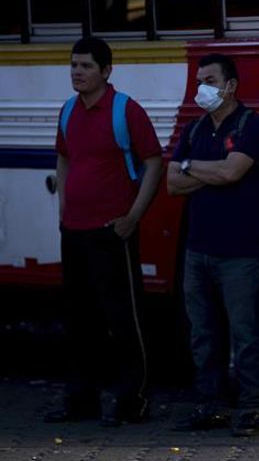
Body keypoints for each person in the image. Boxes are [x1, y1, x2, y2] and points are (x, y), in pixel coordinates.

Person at [46, 36, 162, 427]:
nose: (77, 72)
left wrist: (133, 216)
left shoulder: (125, 110)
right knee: (79, 321)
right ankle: (82, 400)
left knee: (124, 319)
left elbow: (153, 162)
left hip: (112, 232)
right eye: (74, 65)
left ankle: (134, 401)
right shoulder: (67, 111)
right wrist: (64, 207)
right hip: (74, 231)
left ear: (106, 71)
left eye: (86, 66)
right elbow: (64, 158)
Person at [167, 53, 259, 437]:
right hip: (198, 250)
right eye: (199, 81)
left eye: (210, 81)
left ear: (230, 86)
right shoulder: (195, 129)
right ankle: (209, 404)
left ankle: (252, 407)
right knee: (203, 333)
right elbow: (171, 182)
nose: (202, 89)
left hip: (242, 252)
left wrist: (190, 167)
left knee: (245, 332)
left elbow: (232, 172)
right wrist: (204, 171)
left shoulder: (251, 125)